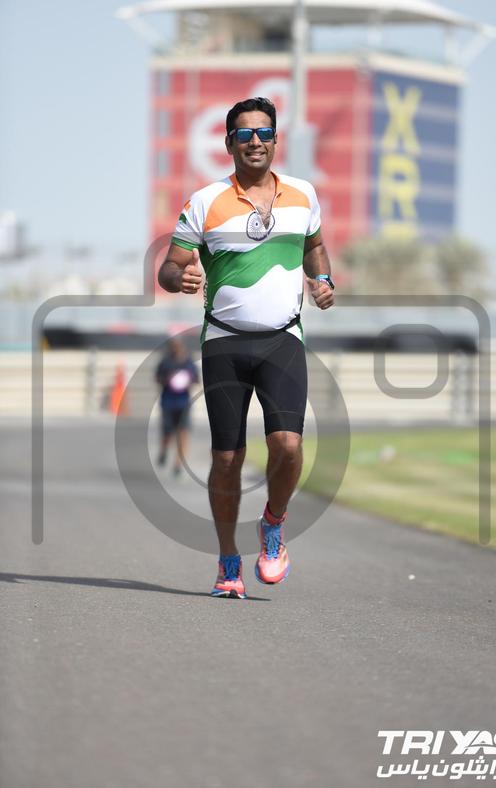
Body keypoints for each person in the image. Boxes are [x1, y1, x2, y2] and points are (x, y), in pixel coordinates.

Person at [158, 96, 335, 598]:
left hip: (283, 339)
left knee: (288, 446)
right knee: (227, 459)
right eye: (243, 134)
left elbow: (315, 247)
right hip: (224, 343)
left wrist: (322, 280)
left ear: (276, 140)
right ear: (229, 142)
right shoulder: (205, 201)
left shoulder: (303, 195)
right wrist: (178, 278)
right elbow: (169, 267)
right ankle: (228, 561)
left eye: (263, 133)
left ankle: (273, 522)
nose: (254, 141)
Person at [155, 338, 199, 476]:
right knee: (167, 432)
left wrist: (187, 380)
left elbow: (196, 380)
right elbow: (157, 378)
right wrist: (168, 380)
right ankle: (164, 450)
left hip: (183, 403)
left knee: (183, 432)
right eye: (174, 346)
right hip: (168, 402)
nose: (176, 348)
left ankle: (178, 464)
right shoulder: (165, 362)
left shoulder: (189, 363)